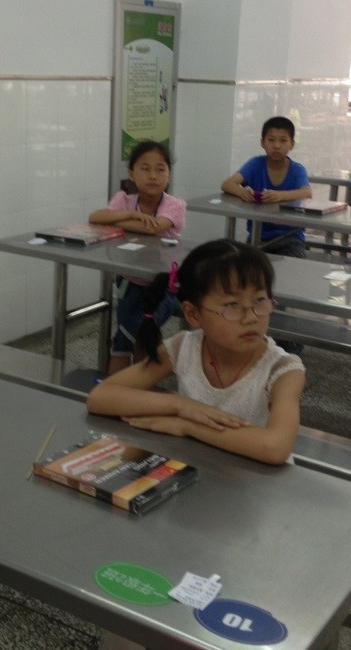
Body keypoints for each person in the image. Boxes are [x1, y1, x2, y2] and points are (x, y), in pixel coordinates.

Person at [86, 239, 305, 465]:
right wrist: (180, 405)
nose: (251, 318)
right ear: (193, 314)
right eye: (232, 305)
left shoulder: (283, 369)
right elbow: (100, 397)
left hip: (254, 477)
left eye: (260, 301)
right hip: (193, 467)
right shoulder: (184, 347)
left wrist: (188, 426)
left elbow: (275, 448)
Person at [89, 141, 186, 374]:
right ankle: (123, 388)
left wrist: (118, 221)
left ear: (169, 174)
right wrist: (130, 215)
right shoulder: (125, 200)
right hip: (129, 281)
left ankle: (135, 385)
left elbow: (154, 228)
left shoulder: (175, 205)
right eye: (145, 168)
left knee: (137, 335)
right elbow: (95, 218)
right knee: (129, 337)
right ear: (132, 174)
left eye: (160, 169)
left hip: (164, 285)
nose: (153, 175)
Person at [220, 115, 312, 257]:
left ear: (292, 144)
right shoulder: (255, 164)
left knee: (293, 267)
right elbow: (227, 184)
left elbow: (306, 193)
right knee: (244, 265)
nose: (276, 146)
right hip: (257, 237)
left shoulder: (297, 170)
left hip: (290, 238)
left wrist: (280, 196)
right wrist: (242, 192)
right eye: (271, 140)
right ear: (262, 142)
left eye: (283, 140)